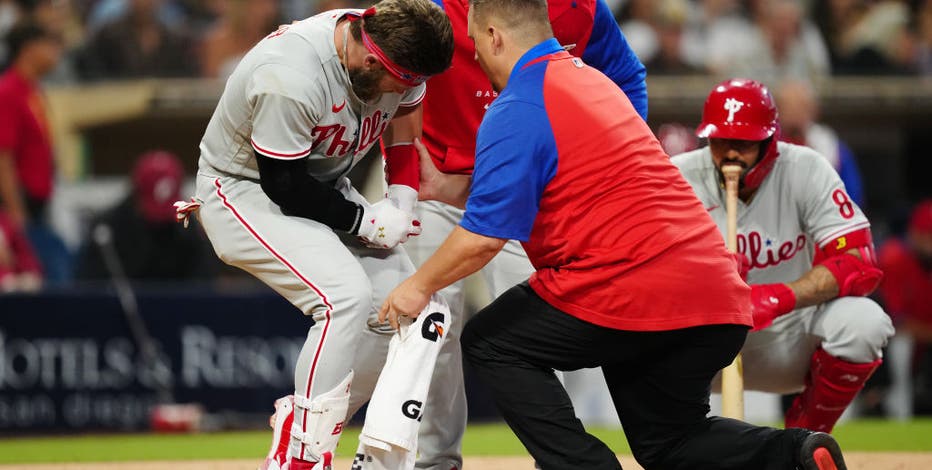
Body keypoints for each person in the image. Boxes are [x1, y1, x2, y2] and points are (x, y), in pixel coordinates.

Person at [380, 1, 848, 468]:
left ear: (496, 37)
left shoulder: (519, 102)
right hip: (715, 298)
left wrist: (415, 287)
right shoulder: (594, 83)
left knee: (492, 341)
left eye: (477, 41)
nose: (476, 57)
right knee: (670, 443)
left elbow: (482, 240)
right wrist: (446, 188)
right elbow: (543, 185)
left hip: (630, 286)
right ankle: (797, 454)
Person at [357, 0, 647, 467]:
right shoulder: (432, 10)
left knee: (540, 328)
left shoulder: (580, 7)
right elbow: (386, 78)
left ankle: (556, 459)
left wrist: (607, 159)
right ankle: (434, 461)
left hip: (532, 183)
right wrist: (407, 176)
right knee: (431, 325)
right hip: (440, 181)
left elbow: (626, 78)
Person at [186, 1, 453, 469]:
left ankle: (363, 446)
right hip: (242, 188)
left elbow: (405, 126)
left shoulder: (389, 44)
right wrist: (363, 221)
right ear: (372, 61)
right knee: (345, 296)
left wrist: (403, 196)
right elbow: (283, 185)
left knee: (416, 309)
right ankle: (302, 455)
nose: (407, 90)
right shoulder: (290, 74)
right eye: (403, 79)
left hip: (324, 185)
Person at [671, 78, 895, 434]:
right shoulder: (677, 174)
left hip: (787, 335)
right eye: (719, 140)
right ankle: (679, 443)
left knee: (865, 322)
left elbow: (858, 262)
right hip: (704, 341)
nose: (729, 152)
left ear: (769, 140)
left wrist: (778, 296)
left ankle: (804, 439)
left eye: (743, 142)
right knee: (632, 331)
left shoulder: (806, 168)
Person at [0, 19, 71, 284]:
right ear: (29, 49)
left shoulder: (33, 91)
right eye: (49, 45)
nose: (56, 52)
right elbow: (3, 156)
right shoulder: (8, 92)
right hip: (19, 206)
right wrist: (15, 210)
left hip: (39, 203)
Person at [75, 150, 217, 281]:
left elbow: (202, 289)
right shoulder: (106, 236)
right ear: (135, 196)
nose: (160, 226)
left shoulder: (191, 233)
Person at [877, 199, 932, 414]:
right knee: (901, 343)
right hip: (886, 348)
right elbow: (896, 322)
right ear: (914, 234)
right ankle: (900, 414)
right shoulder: (894, 258)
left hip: (924, 348)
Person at [777, 79, 866, 207]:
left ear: (814, 110)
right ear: (777, 111)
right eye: (788, 106)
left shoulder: (831, 146)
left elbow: (853, 195)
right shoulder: (763, 146)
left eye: (801, 106)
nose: (795, 113)